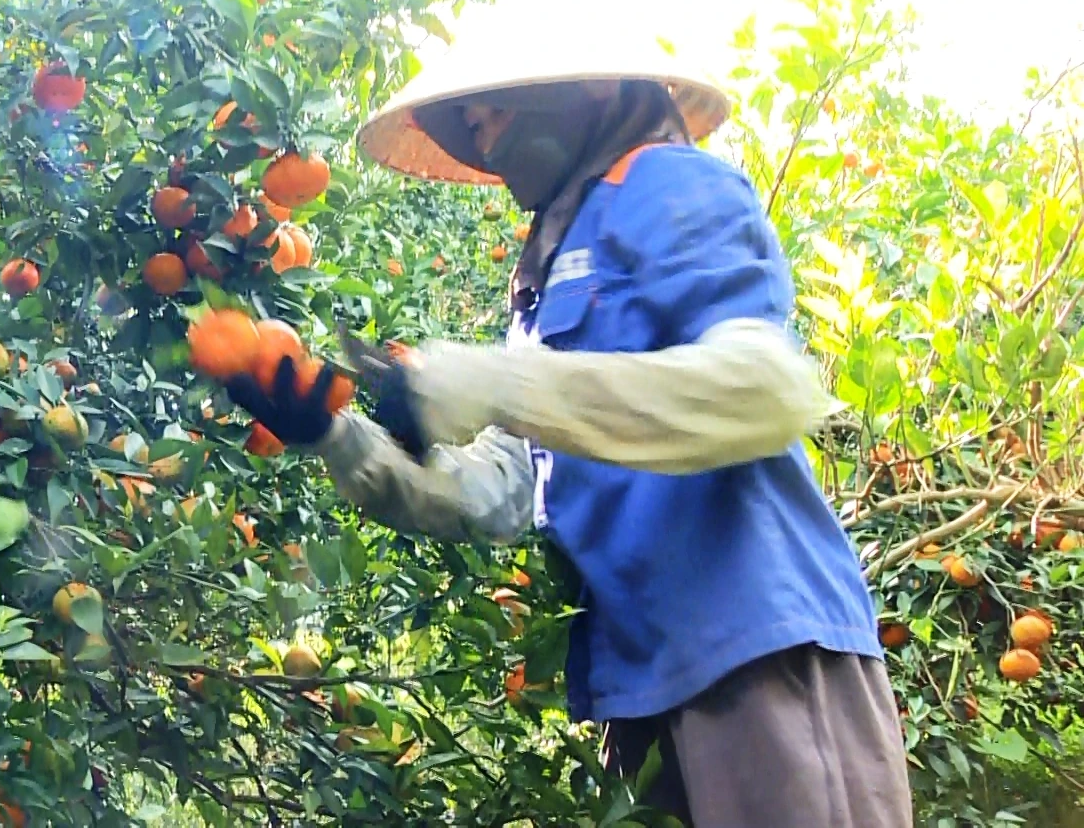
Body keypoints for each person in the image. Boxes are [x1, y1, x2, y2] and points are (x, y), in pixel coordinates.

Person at [228, 68, 912, 827]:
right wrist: (334, 434)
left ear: (589, 91)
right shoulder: (542, 283)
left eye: (493, 97)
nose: (476, 118)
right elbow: (496, 493)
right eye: (464, 108)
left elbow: (768, 388)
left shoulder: (664, 182)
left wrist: (480, 385)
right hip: (642, 687)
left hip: (757, 650)